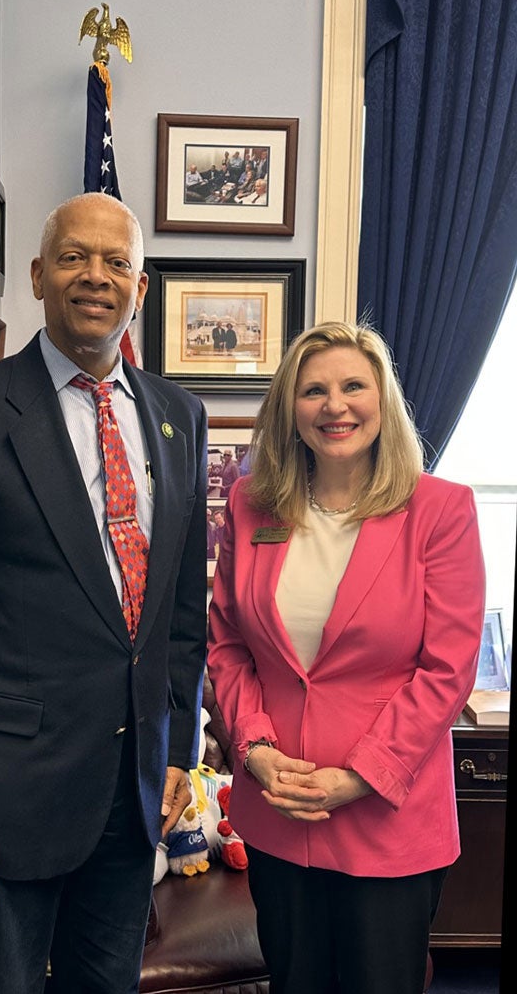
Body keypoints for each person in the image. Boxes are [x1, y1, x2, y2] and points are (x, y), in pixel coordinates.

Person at [0, 192, 207, 994]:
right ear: (36, 275)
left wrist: (177, 751)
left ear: (141, 287)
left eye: (116, 262)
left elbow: (177, 612)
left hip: (134, 798)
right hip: (5, 802)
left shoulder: (180, 416)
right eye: (73, 257)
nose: (94, 277)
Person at [207, 321, 485, 994]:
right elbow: (228, 643)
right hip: (277, 810)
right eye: (314, 390)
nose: (335, 405)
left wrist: (359, 775)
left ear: (382, 399)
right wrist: (257, 748)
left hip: (387, 816)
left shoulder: (440, 510)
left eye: (353, 385)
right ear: (289, 408)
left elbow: (448, 669)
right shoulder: (251, 506)